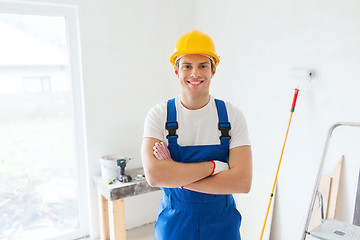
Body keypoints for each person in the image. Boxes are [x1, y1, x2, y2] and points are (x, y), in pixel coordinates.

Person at [141, 29, 252, 240]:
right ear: (176, 71)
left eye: (203, 66)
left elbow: (242, 182)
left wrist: (176, 177)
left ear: (213, 70)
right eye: (187, 66)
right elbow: (154, 176)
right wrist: (215, 167)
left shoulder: (231, 116)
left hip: (222, 223)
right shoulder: (159, 116)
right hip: (174, 223)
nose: (195, 73)